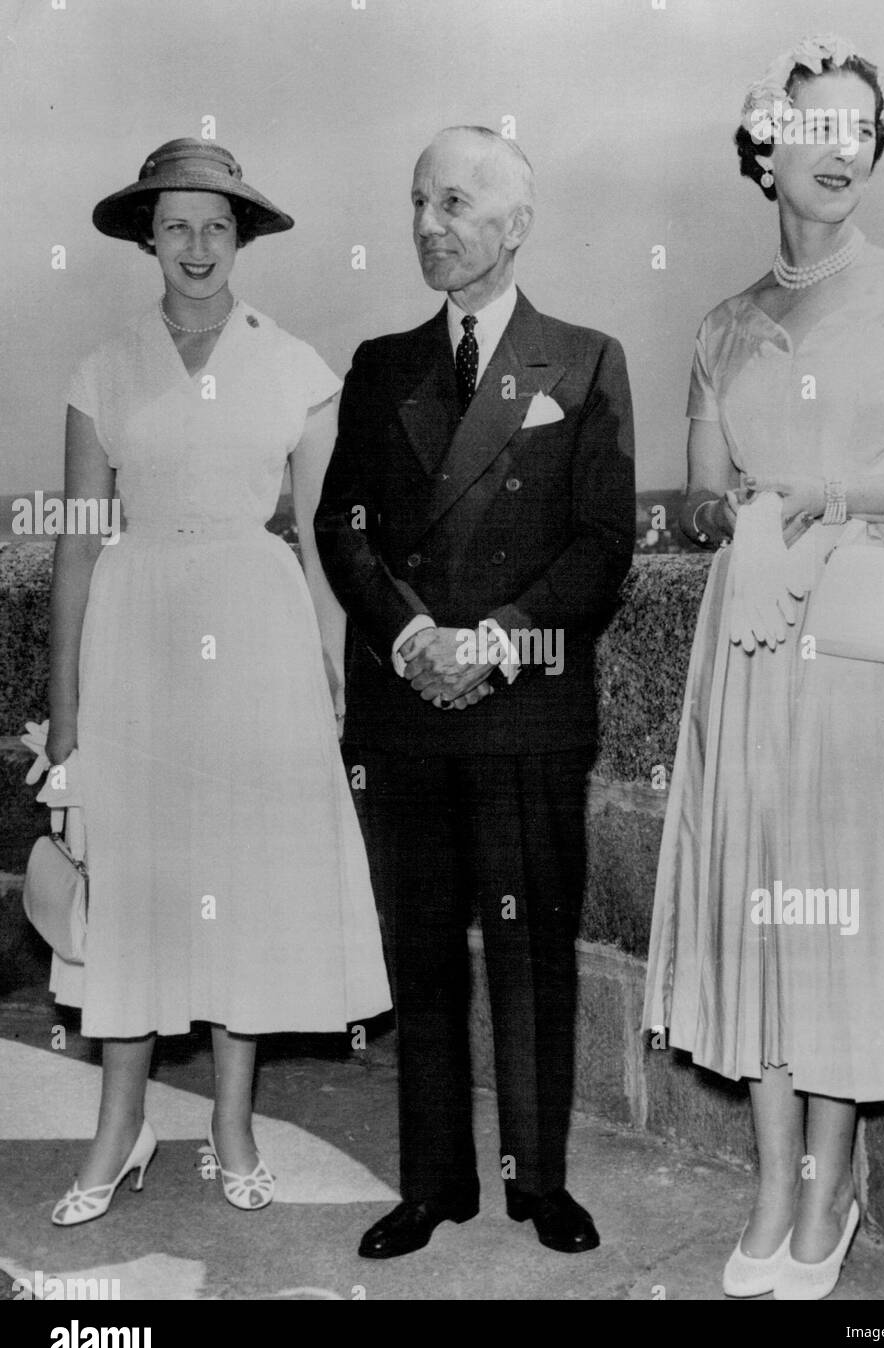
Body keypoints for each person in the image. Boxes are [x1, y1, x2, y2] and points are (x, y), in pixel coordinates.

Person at [642, 36, 884, 1299]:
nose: (842, 148)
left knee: (841, 917)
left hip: (859, 642)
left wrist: (837, 495)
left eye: (862, 128)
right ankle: (774, 1175)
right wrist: (718, 515)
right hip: (747, 649)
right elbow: (698, 495)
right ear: (765, 149)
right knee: (761, 912)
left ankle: (832, 1185)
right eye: (815, 127)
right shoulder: (721, 324)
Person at [46, 138, 391, 1225]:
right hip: (134, 636)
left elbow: (326, 539)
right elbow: (75, 544)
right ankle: (122, 1123)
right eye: (176, 224)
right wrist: (67, 710)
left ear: (241, 238)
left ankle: (231, 1124)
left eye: (216, 225)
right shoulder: (100, 370)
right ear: (145, 235)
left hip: (257, 637)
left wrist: (338, 672)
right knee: (136, 878)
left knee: (242, 877)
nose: (196, 246)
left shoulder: (296, 366)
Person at [315, 126, 635, 1258]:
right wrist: (412, 637)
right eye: (416, 202)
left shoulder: (586, 360)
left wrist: (492, 643)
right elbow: (341, 528)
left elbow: (601, 546)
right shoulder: (378, 364)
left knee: (534, 950)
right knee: (421, 953)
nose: (427, 225)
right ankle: (435, 1183)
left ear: (515, 225)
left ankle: (538, 1182)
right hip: (407, 706)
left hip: (525, 704)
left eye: (453, 203)